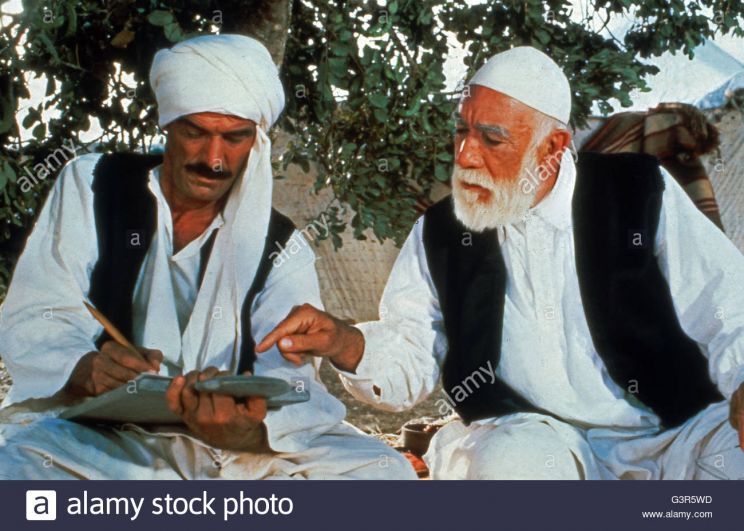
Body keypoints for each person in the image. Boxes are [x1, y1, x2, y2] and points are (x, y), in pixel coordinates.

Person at [258, 46, 744, 480]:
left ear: (552, 147)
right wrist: (346, 342)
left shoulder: (636, 190)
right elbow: (412, 352)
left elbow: (726, 301)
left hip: (674, 435)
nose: (466, 155)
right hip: (540, 439)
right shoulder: (441, 232)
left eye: (492, 139)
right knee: (509, 466)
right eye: (462, 131)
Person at [0, 34, 415, 480]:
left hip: (236, 447)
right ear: (168, 126)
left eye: (234, 138)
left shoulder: (282, 247)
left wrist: (246, 432)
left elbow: (290, 382)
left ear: (255, 142)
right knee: (20, 468)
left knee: (382, 472)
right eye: (195, 132)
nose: (213, 159)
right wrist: (85, 368)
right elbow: (38, 309)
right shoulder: (96, 185)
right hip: (111, 436)